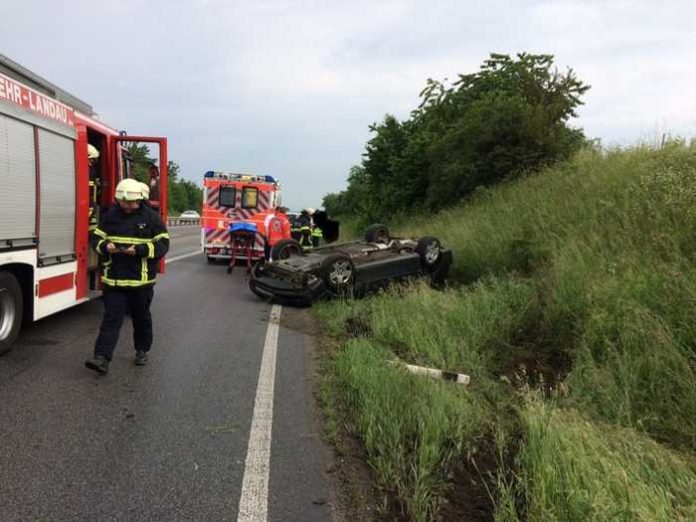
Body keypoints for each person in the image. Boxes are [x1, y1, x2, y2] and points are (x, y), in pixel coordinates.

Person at [85, 178, 170, 375]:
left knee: (141, 319)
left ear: (140, 200)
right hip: (114, 280)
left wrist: (140, 250)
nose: (126, 206)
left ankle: (142, 350)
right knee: (111, 319)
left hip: (141, 282)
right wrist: (105, 246)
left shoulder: (151, 218)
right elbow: (96, 238)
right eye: (123, 202)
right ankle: (101, 358)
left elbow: (163, 245)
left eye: (130, 203)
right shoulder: (110, 216)